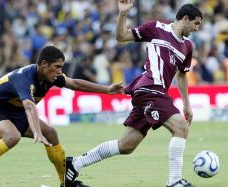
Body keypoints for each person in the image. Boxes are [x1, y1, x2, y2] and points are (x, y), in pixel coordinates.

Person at [65, 1, 202, 187]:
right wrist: (122, 14)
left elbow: (182, 76)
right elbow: (121, 36)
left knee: (127, 145)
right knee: (181, 127)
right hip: (149, 89)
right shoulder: (155, 28)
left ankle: (74, 164)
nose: (197, 28)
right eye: (196, 23)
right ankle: (175, 181)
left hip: (156, 93)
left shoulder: (187, 47)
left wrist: (186, 104)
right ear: (185, 18)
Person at [0, 45, 124, 187]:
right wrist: (36, 131)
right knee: (12, 136)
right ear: (44, 64)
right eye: (57, 66)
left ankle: (66, 182)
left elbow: (75, 84)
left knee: (50, 133)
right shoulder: (24, 78)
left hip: (12, 115)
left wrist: (107, 89)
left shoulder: (52, 76)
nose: (60, 71)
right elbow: (29, 106)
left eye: (61, 67)